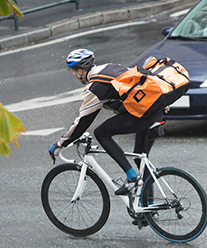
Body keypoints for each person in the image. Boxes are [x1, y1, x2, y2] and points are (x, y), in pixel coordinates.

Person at [48, 49, 162, 199]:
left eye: (74, 71)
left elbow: (83, 121)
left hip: (142, 114)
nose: (73, 74)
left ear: (81, 70)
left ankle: (132, 177)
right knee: (140, 157)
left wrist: (60, 143)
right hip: (155, 109)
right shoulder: (109, 67)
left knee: (101, 133)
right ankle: (150, 207)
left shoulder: (95, 87)